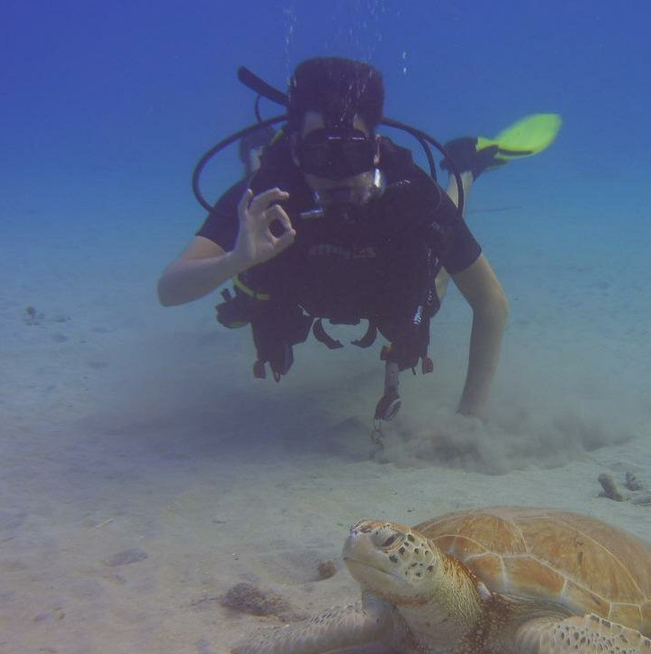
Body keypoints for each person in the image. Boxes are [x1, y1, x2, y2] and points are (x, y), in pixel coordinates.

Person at [158, 57, 558, 423]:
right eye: (320, 154)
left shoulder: (407, 191)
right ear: (296, 152)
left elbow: (491, 303)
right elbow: (169, 289)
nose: (337, 174)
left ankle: (466, 168)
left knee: (435, 280)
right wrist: (234, 260)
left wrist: (469, 421)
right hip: (292, 293)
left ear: (376, 150)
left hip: (388, 286)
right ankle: (258, 153)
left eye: (352, 153)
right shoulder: (263, 198)